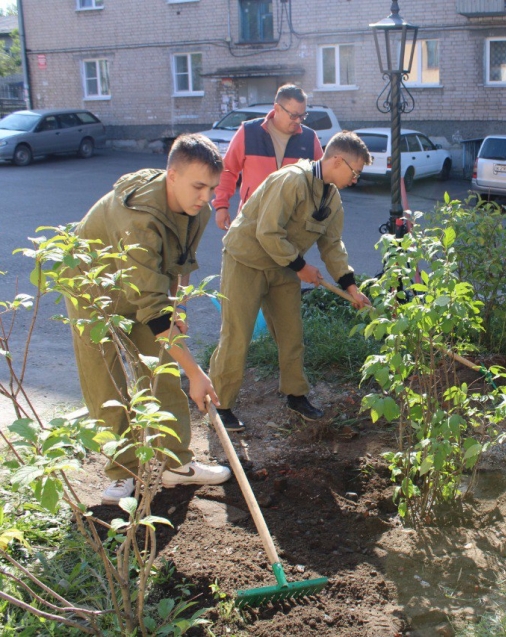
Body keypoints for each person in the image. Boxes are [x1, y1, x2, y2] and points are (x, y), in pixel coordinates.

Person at [66, 134, 232, 505]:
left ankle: (175, 464)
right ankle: (122, 472)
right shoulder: (139, 218)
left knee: (162, 372)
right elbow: (153, 311)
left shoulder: (197, 209)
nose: (206, 196)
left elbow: (180, 265)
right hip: (95, 291)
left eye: (212, 188)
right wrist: (197, 372)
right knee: (106, 384)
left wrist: (179, 307)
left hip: (146, 289)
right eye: (198, 186)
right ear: (171, 175)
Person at [209, 131, 372, 430]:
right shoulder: (293, 180)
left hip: (284, 267)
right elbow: (268, 232)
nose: (356, 179)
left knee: (291, 335)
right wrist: (301, 267)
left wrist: (351, 287)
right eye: (355, 171)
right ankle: (221, 406)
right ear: (337, 161)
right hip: (246, 261)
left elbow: (333, 245)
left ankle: (296, 395)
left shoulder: (332, 197)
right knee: (237, 336)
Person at [212, 84, 323, 231]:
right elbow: (227, 170)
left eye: (302, 116)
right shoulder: (248, 132)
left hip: (290, 226)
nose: (298, 121)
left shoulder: (309, 138)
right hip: (251, 221)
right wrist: (221, 206)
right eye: (294, 115)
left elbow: (321, 178)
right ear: (277, 109)